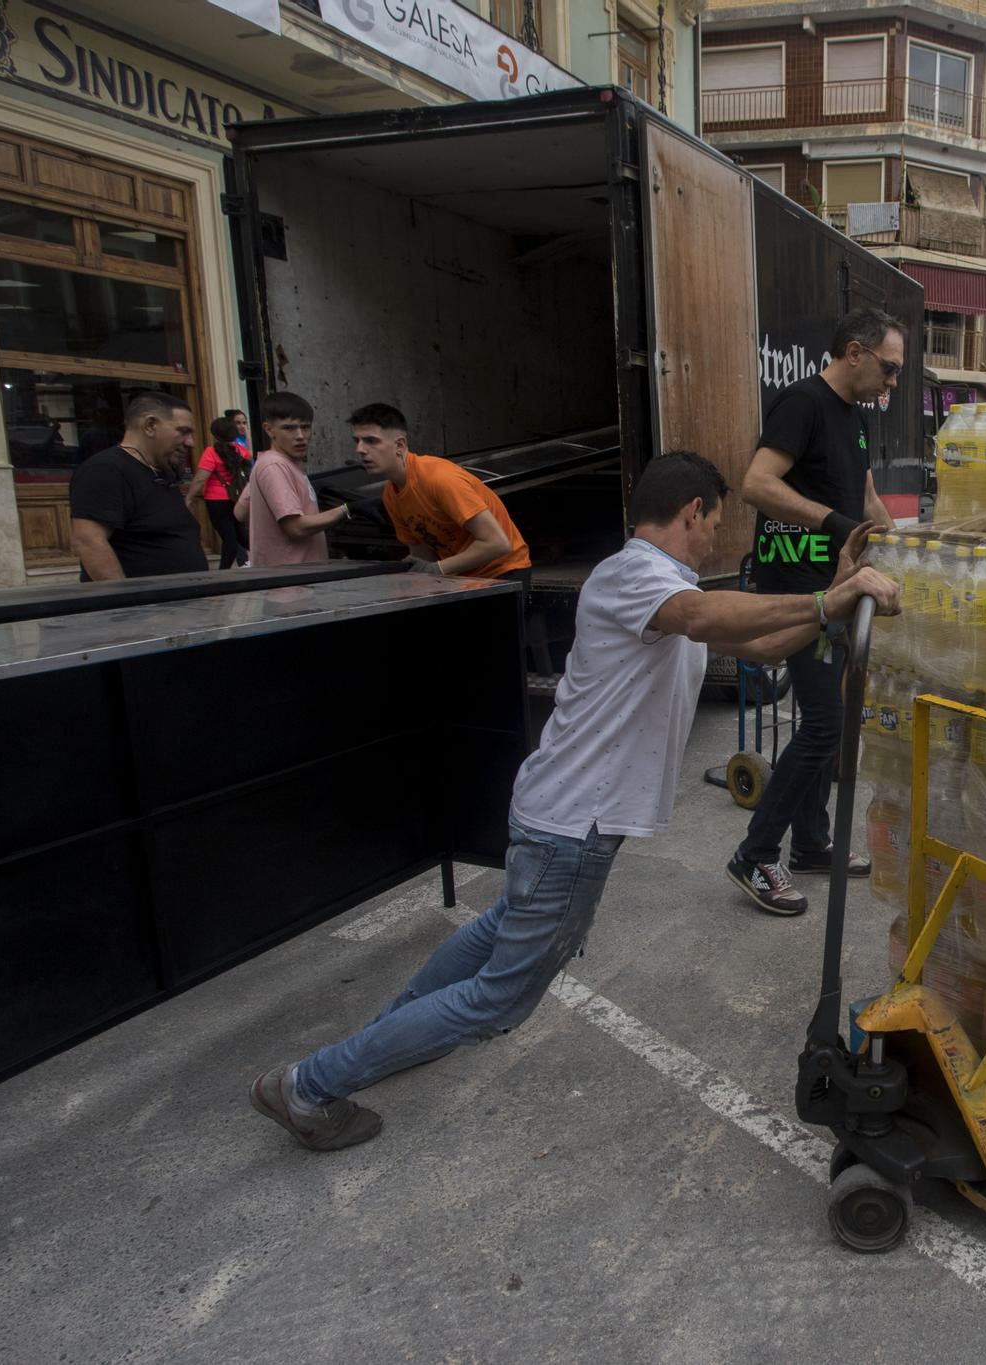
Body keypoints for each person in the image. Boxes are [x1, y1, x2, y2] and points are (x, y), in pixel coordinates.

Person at [249, 452, 900, 1151]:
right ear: (693, 512)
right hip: (571, 827)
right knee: (500, 997)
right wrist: (827, 602)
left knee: (498, 930)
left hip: (558, 815)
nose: (715, 536)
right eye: (714, 521)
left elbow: (761, 641)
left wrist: (830, 595)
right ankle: (310, 1084)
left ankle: (394, 1031)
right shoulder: (636, 577)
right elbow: (702, 613)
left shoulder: (662, 585)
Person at [726, 308, 901, 917]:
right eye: (889, 368)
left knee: (832, 714)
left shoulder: (855, 418)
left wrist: (903, 543)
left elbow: (866, 496)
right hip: (799, 586)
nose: (893, 383)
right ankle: (755, 854)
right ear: (855, 352)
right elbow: (755, 482)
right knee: (826, 721)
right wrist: (835, 524)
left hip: (838, 584)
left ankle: (811, 842)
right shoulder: (801, 403)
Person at [350, 403, 530, 582]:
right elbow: (422, 557)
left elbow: (498, 543)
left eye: (371, 441)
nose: (360, 450)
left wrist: (437, 568)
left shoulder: (440, 479)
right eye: (357, 441)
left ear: (400, 445)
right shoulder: (391, 494)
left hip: (503, 574)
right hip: (460, 579)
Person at [68, 391, 205, 581]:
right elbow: (88, 541)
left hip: (177, 605)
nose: (190, 442)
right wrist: (125, 600)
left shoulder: (160, 471)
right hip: (143, 608)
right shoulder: (106, 469)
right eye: (183, 432)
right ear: (150, 426)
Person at [237, 390, 348, 567]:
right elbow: (296, 527)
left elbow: (239, 512)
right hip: (289, 582)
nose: (300, 436)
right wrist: (345, 510)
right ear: (268, 429)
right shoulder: (274, 466)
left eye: (305, 427)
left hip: (297, 578)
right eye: (289, 428)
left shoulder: (270, 463)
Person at [187, 416, 252, 568]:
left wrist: (189, 497)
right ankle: (269, 557)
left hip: (216, 501)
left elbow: (201, 478)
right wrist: (247, 434)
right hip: (236, 498)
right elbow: (249, 453)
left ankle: (222, 573)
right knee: (241, 535)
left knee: (229, 539)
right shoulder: (239, 450)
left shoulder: (211, 452)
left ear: (215, 434)